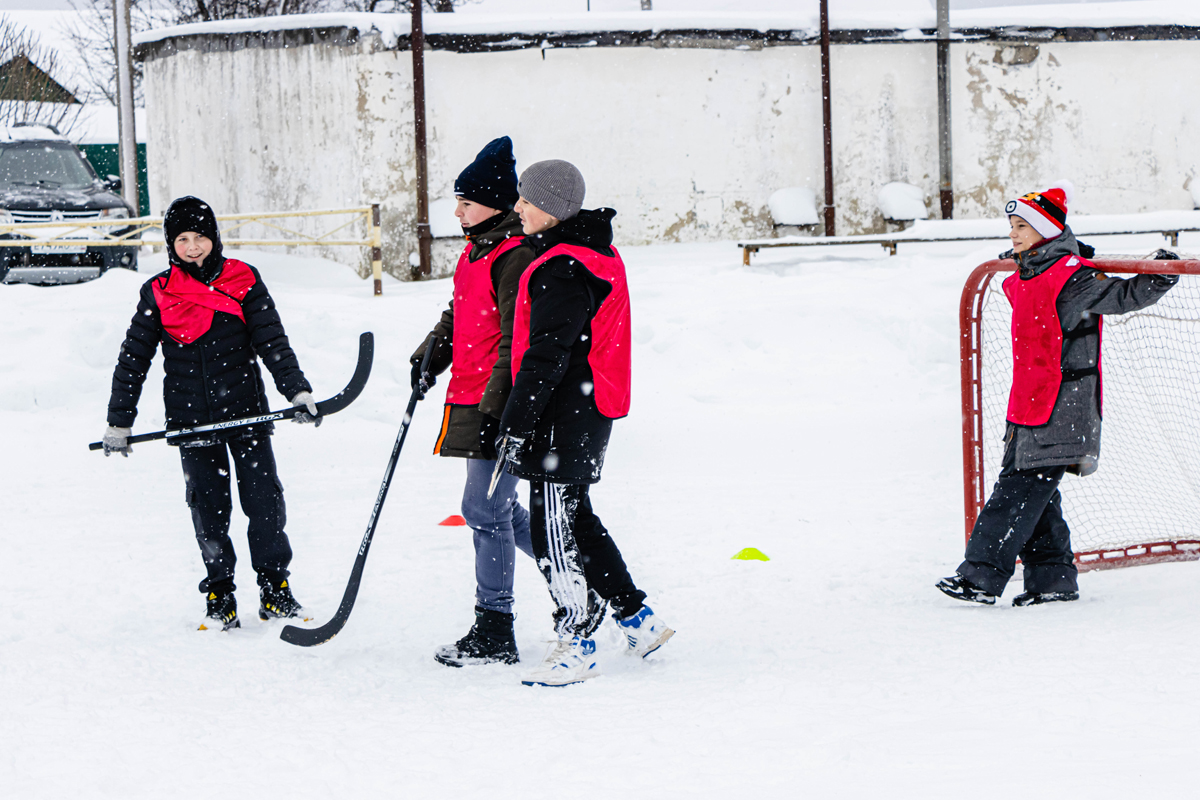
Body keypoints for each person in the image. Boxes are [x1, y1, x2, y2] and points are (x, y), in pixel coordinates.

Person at [411, 137, 606, 667]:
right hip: (472, 393)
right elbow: (459, 314)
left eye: (466, 203)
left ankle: (495, 628)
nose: (457, 212)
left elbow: (513, 341)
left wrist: (497, 410)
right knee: (491, 507)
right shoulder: (476, 250)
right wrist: (431, 353)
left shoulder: (514, 256)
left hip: (496, 399)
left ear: (495, 205)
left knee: (485, 508)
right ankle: (576, 582)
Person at [938, 185, 1179, 606]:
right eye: (1011, 226)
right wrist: (1027, 258)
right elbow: (1026, 282)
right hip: (1026, 403)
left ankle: (980, 577)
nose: (1013, 234)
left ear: (1046, 231)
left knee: (1017, 491)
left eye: (1022, 227)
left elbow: (1121, 296)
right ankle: (1053, 581)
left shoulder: (1073, 277)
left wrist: (1158, 276)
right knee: (1039, 497)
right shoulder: (1026, 274)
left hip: (1063, 406)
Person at [102, 196, 319, 631]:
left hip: (246, 414)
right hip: (191, 420)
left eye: (199, 237)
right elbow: (133, 359)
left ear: (214, 237)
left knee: (265, 504)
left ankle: (275, 589)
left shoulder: (243, 279)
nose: (192, 247)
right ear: (171, 244)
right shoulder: (159, 292)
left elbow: (272, 341)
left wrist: (296, 390)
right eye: (182, 239)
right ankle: (220, 595)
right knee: (209, 510)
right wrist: (119, 421)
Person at [496, 159, 674, 686]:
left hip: (561, 414)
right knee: (576, 520)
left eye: (526, 199)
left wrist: (516, 421)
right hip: (585, 407)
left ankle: (577, 642)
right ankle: (638, 619)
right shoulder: (595, 253)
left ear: (551, 210)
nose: (518, 207)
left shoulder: (563, 268)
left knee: (552, 530)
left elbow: (546, 355)